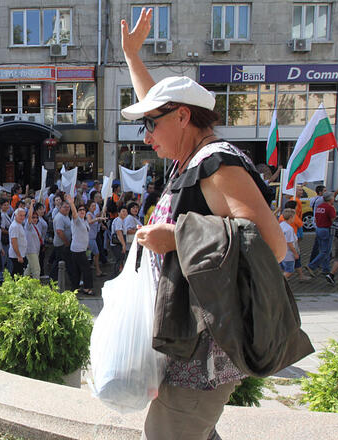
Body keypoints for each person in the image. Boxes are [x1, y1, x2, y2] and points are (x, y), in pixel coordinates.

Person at [121, 10, 286, 439]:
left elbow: (272, 245)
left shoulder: (217, 163)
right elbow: (156, 106)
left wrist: (176, 237)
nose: (146, 137)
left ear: (182, 118)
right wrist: (132, 57)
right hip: (189, 343)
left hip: (203, 355)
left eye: (151, 125)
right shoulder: (190, 154)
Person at [66, 194, 94, 295]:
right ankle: (87, 288)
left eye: (84, 210)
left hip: (83, 249)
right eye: (80, 210)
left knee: (77, 270)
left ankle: (75, 288)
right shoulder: (76, 221)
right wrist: (72, 203)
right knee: (86, 270)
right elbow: (74, 213)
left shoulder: (84, 221)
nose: (82, 211)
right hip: (77, 249)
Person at [305, 192, 336, 277]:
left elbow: (316, 219)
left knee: (324, 249)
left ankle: (326, 269)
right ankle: (311, 266)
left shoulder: (319, 207)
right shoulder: (330, 208)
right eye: (333, 197)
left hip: (319, 229)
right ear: (330, 199)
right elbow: (333, 220)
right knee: (325, 251)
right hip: (327, 229)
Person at [279, 209, 307, 281]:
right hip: (288, 253)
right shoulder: (289, 229)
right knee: (289, 271)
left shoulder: (280, 225)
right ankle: (279, 281)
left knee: (284, 268)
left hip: (282, 251)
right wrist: (295, 253)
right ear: (291, 217)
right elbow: (290, 243)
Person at [50, 201, 72, 281]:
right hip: (61, 244)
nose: (67, 209)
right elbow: (59, 231)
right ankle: (53, 279)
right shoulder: (59, 217)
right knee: (62, 262)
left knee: (60, 262)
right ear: (60, 208)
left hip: (64, 243)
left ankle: (53, 279)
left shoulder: (66, 216)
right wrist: (66, 242)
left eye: (68, 207)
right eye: (64, 207)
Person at [86, 200, 106, 278]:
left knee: (94, 254)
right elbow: (90, 221)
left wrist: (101, 223)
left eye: (95, 206)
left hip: (93, 238)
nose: (94, 207)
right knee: (91, 255)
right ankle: (95, 270)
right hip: (90, 239)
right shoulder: (88, 214)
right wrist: (98, 219)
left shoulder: (93, 214)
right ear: (89, 207)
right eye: (92, 206)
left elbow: (96, 221)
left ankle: (97, 270)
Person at [23, 200, 42, 279]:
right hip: (31, 251)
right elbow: (29, 217)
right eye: (33, 217)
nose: (35, 219)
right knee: (36, 270)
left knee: (29, 269)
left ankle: (22, 283)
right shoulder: (28, 226)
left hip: (36, 250)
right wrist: (31, 205)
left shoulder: (36, 226)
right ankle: (36, 287)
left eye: (36, 217)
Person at [8, 208, 28, 276]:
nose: (22, 217)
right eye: (20, 215)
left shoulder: (19, 224)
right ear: (15, 215)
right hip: (16, 256)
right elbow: (14, 242)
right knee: (16, 276)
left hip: (21, 254)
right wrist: (19, 256)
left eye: (23, 215)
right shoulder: (15, 226)